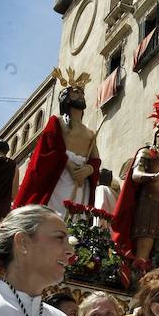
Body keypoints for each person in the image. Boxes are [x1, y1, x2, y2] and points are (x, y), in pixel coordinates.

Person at [111, 94, 159, 262]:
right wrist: (155, 175)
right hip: (148, 205)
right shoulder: (147, 152)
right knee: (143, 253)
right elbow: (136, 175)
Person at [13, 68, 100, 216]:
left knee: (76, 217)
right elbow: (52, 147)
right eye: (75, 92)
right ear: (65, 97)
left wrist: (89, 170)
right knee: (54, 212)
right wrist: (70, 166)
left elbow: (95, 159)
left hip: (80, 181)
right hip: (60, 175)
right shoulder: (57, 122)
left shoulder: (90, 133)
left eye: (81, 93)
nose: (80, 95)